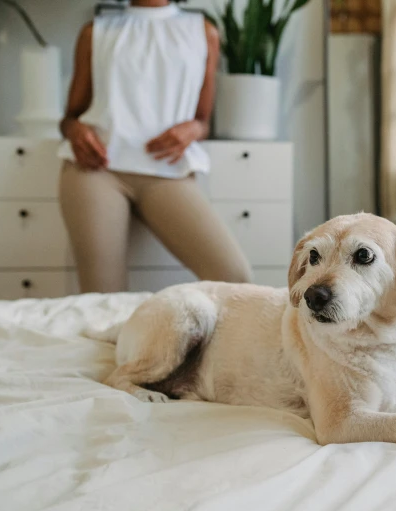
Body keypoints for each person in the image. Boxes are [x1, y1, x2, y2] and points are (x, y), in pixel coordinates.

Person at [58, 0, 251, 293]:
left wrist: (192, 129)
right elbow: (70, 117)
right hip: (97, 170)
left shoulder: (204, 32)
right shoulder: (95, 32)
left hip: (167, 172)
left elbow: (202, 120)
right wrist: (76, 131)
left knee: (235, 277)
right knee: (101, 299)